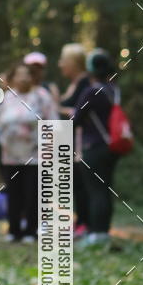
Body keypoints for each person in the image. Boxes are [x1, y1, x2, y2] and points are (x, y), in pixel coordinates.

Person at [0, 62, 57, 242]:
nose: (23, 78)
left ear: (32, 77)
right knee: (13, 192)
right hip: (10, 154)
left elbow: (52, 122)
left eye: (26, 74)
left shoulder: (42, 96)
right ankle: (14, 230)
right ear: (12, 78)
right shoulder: (7, 98)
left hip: (35, 155)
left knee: (32, 192)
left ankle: (31, 230)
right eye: (18, 74)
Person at [73, 49, 120, 245]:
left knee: (95, 191)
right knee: (105, 188)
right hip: (111, 146)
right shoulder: (114, 90)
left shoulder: (91, 91)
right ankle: (104, 231)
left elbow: (76, 119)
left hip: (93, 147)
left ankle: (96, 234)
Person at [58, 43, 91, 238]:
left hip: (81, 143)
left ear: (73, 63)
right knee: (75, 183)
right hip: (69, 141)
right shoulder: (73, 84)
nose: (60, 64)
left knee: (82, 183)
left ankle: (85, 224)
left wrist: (56, 106)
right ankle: (79, 221)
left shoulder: (85, 83)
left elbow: (80, 112)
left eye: (64, 61)